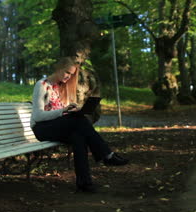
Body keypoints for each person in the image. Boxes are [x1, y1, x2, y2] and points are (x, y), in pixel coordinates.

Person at [30, 56, 129, 193]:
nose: (68, 77)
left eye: (71, 74)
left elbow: (60, 114)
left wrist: (71, 109)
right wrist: (63, 111)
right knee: (80, 121)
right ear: (58, 68)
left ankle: (84, 183)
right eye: (66, 72)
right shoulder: (42, 85)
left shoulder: (60, 88)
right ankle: (107, 155)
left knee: (79, 136)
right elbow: (37, 116)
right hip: (42, 129)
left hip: (57, 126)